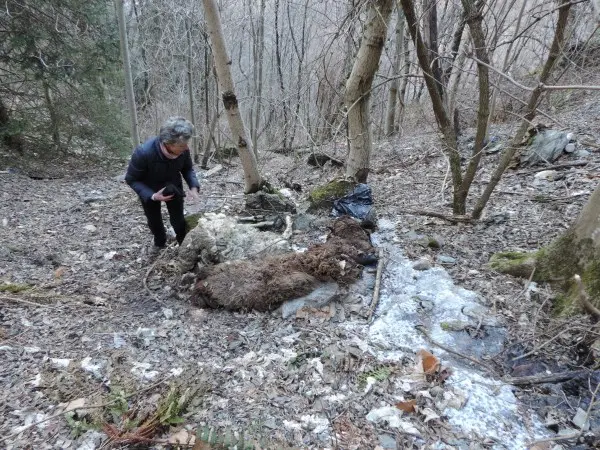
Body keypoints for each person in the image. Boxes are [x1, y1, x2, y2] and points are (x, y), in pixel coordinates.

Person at [125, 117, 200, 252]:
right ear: (168, 143)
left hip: (173, 186)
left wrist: (193, 187)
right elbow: (131, 179)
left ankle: (183, 243)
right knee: (154, 221)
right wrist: (152, 195)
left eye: (186, 145)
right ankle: (159, 242)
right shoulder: (143, 153)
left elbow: (187, 169)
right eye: (182, 146)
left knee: (178, 219)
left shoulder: (183, 150)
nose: (186, 148)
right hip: (149, 189)